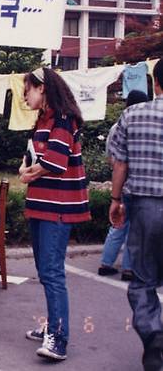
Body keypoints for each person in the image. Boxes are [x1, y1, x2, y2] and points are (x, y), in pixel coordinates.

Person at [19, 67, 89, 362]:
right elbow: (35, 160)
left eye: (28, 90)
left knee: (51, 272)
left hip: (57, 206)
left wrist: (28, 174)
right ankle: (53, 325)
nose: (25, 96)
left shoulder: (62, 119)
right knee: (46, 270)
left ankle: (58, 337)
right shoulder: (44, 120)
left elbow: (55, 162)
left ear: (43, 88)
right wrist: (27, 170)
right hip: (43, 204)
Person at [109, 60, 163, 371]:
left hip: (145, 207)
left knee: (143, 281)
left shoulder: (133, 114)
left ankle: (153, 334)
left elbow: (120, 165)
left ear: (156, 83)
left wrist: (115, 199)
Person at [98, 89, 149, 281]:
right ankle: (128, 268)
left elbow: (112, 158)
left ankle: (106, 262)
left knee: (118, 223)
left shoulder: (115, 126)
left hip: (120, 180)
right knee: (134, 227)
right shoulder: (138, 125)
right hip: (136, 180)